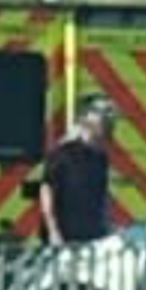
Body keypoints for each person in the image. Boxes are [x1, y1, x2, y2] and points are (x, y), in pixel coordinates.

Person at [41, 96, 115, 245]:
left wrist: (108, 227)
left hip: (94, 237)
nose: (108, 120)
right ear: (85, 118)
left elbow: (103, 196)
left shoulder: (101, 158)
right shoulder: (62, 154)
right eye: (102, 113)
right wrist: (53, 231)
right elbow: (47, 192)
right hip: (64, 239)